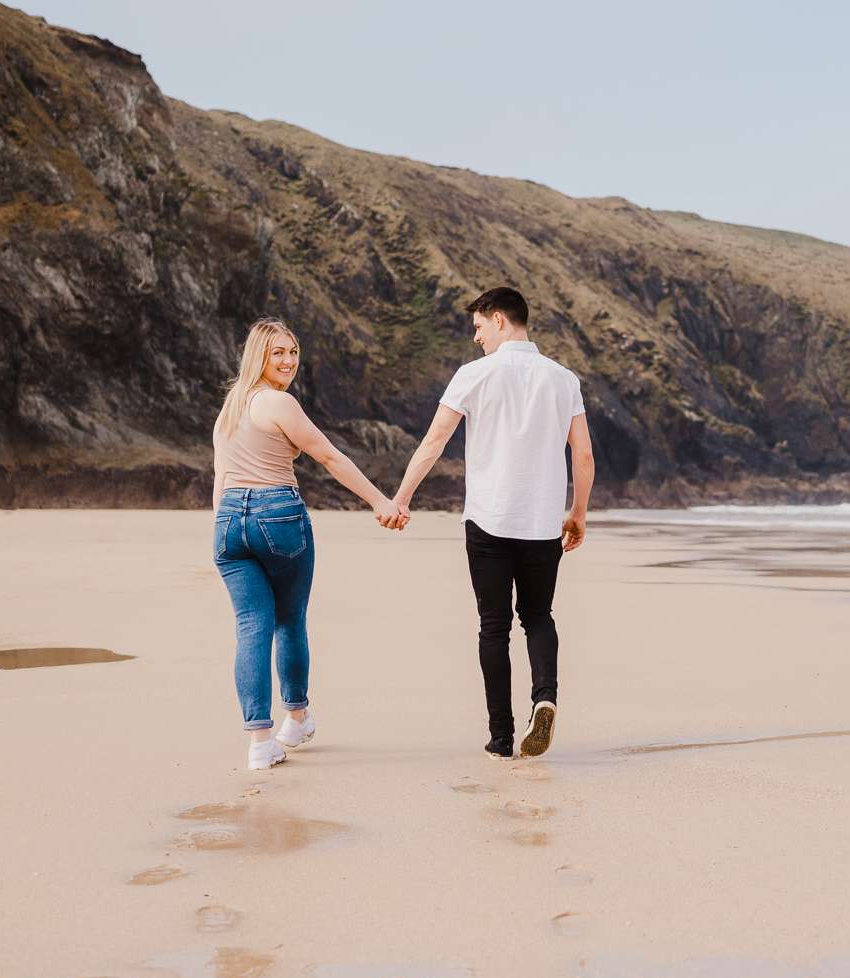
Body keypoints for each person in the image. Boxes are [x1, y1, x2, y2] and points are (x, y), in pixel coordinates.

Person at [394, 287, 593, 760]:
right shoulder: (563, 379)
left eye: (479, 328)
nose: (477, 339)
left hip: (488, 520)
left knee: (493, 626)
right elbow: (582, 454)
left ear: (499, 319)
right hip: (543, 523)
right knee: (538, 616)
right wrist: (578, 513)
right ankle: (544, 699)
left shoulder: (474, 375)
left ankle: (501, 737)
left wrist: (402, 498)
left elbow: (434, 441)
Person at [212, 318, 406, 771]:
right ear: (258, 356)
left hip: (228, 522)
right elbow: (328, 455)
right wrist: (380, 501)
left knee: (250, 627)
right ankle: (295, 718)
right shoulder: (279, 403)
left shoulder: (230, 408)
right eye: (277, 352)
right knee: (289, 620)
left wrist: (222, 528)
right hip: (276, 513)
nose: (288, 361)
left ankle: (261, 744)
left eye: (293, 352)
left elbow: (221, 476)